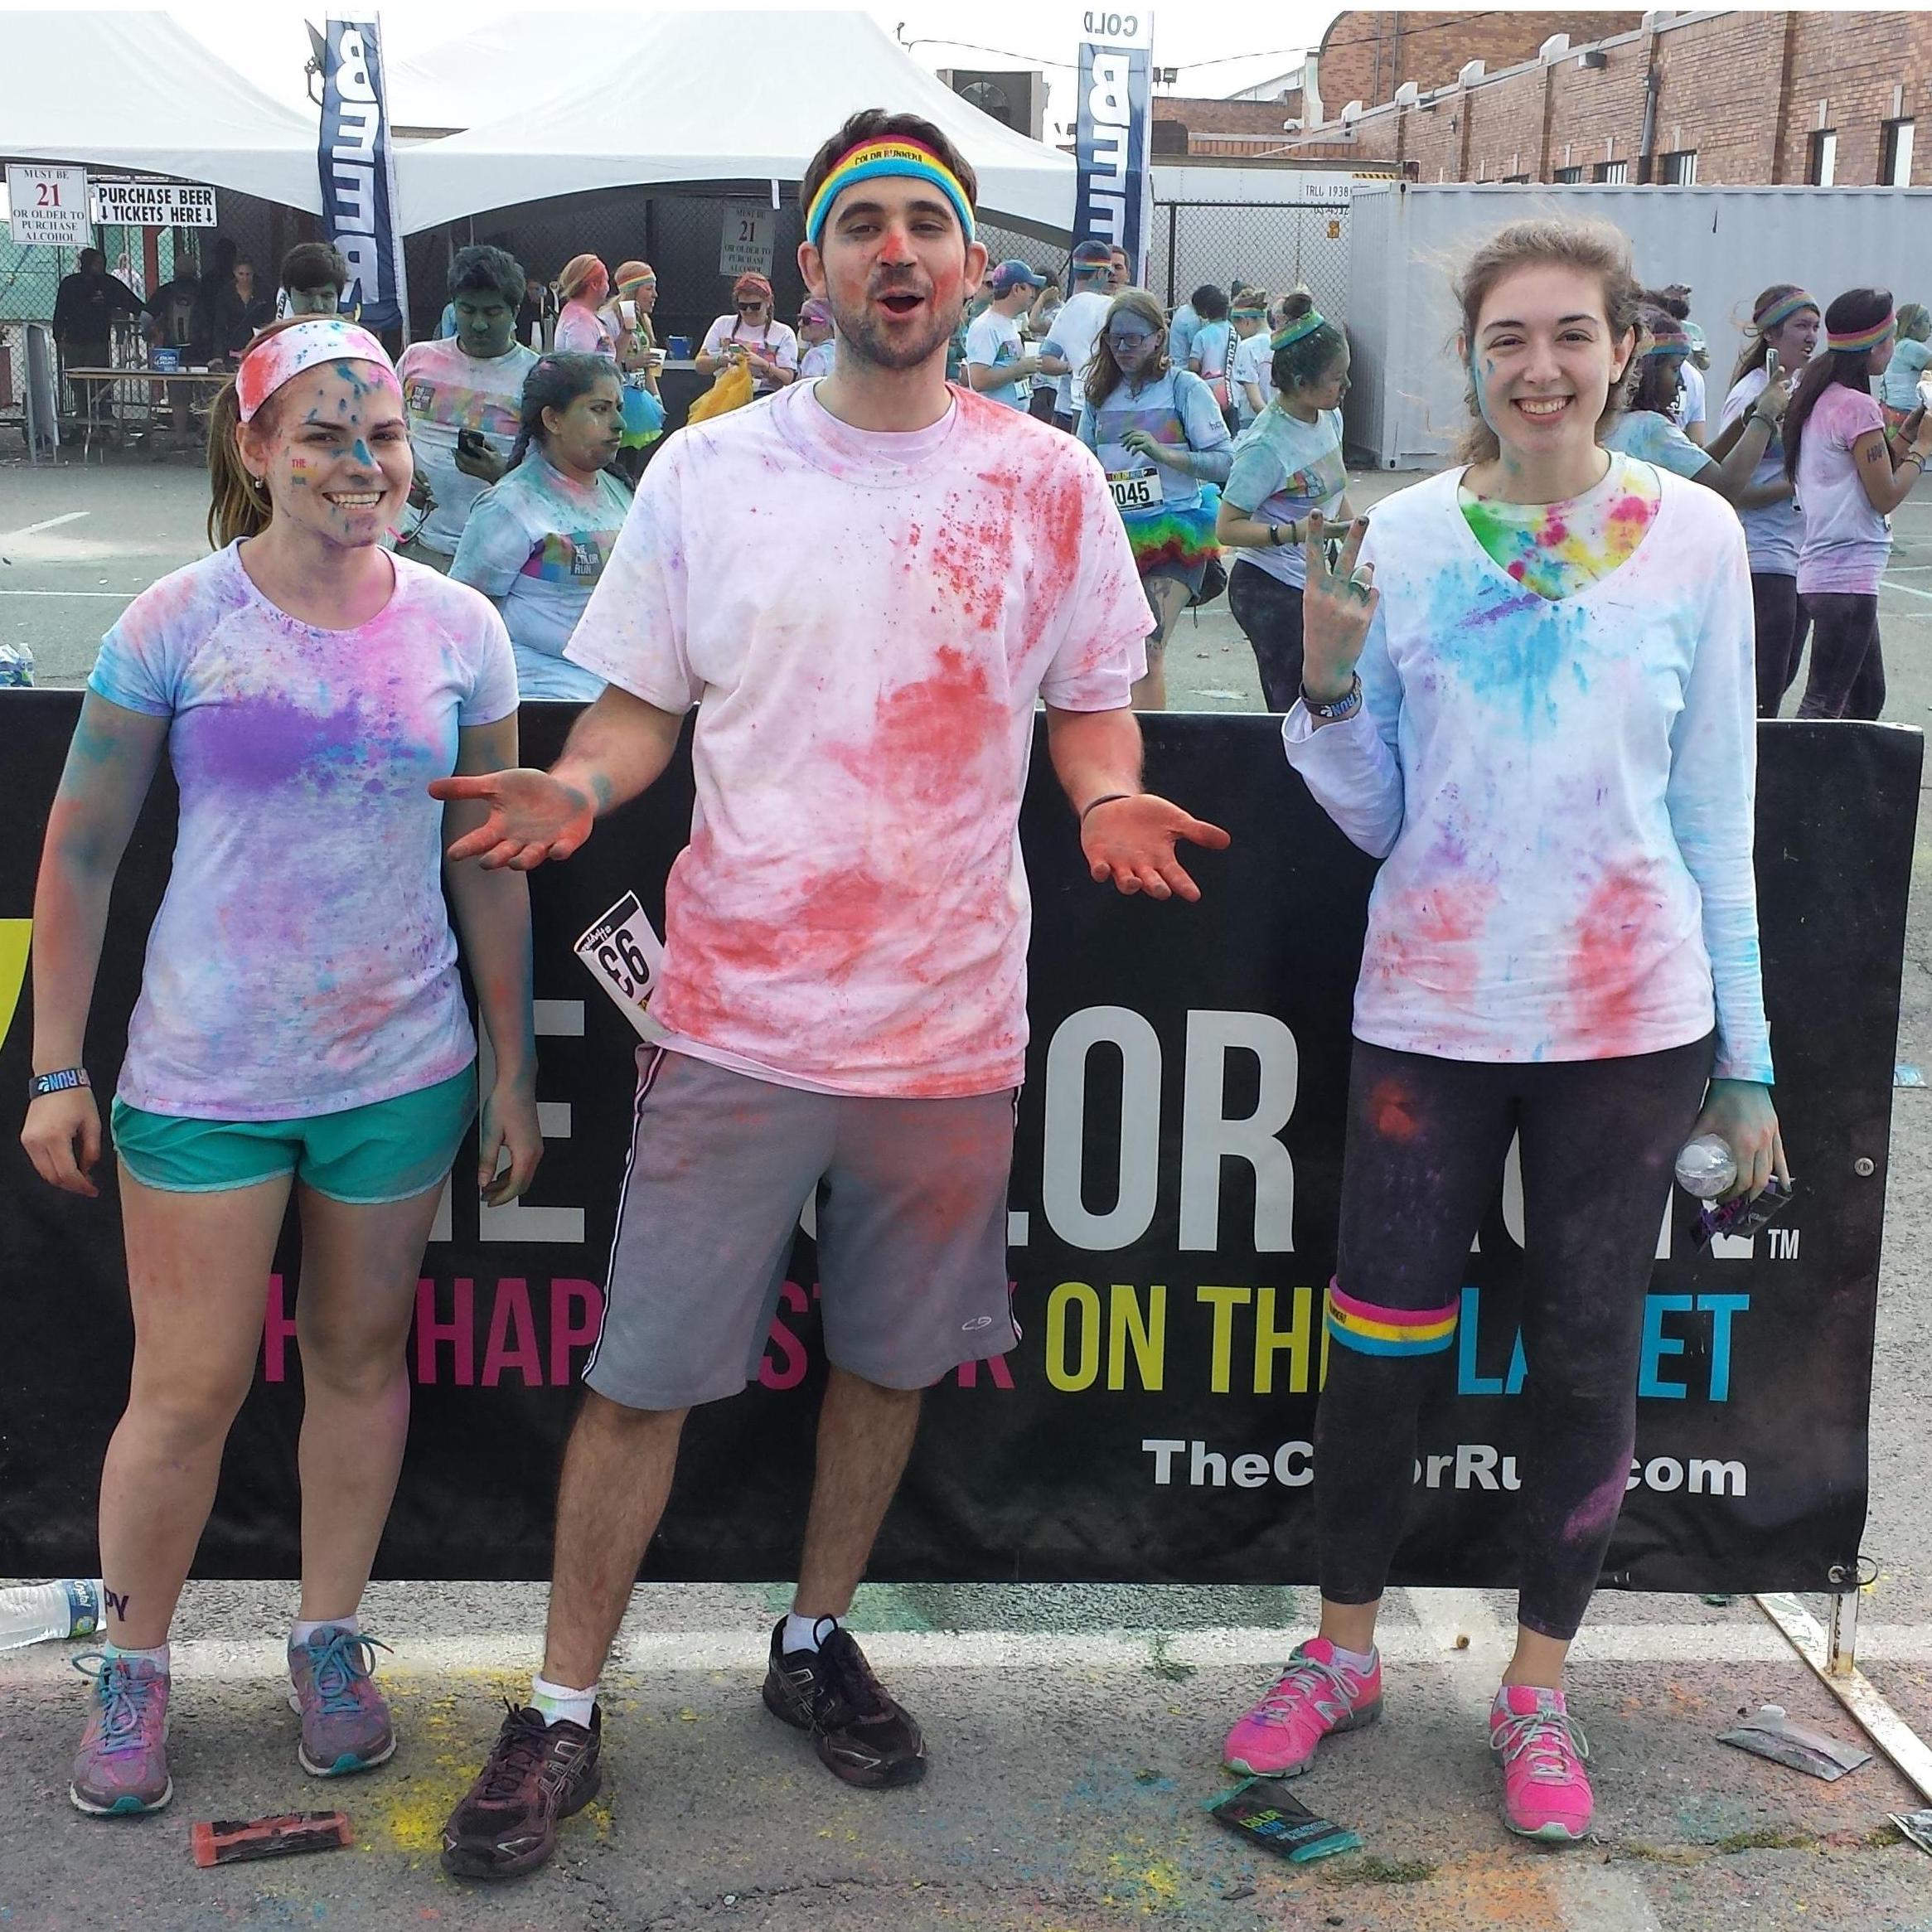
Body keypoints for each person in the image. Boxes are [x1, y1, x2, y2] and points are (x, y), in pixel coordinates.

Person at [432, 104, 1227, 1884]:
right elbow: (640, 706)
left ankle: (810, 1641)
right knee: (642, 1375)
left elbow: (1091, 700)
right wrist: (576, 788)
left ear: (967, 267)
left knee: (883, 1359)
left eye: (924, 227)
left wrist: (1102, 795)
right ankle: (562, 1701)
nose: (896, 253)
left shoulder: (1047, 480)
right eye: (861, 224)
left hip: (947, 1022)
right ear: (810, 269)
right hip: (734, 1013)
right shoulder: (712, 475)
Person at [1224, 217, 1784, 1846]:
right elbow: (1376, 814)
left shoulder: (1690, 539)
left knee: (1587, 1351)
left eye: (1568, 335)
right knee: (1376, 1340)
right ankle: (1340, 1650)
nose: (1536, 367)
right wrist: (1324, 686)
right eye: (1505, 339)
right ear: (1469, 359)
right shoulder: (1400, 537)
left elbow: (1715, 816)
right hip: (1433, 1010)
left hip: (1628, 1024)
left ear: (1620, 349)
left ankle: (1538, 1682)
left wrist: (1743, 1060)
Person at [21, 313, 540, 1820]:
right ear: (254, 449)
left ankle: (326, 1639)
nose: (360, 464)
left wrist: (507, 1069)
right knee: (182, 1388)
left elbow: (489, 865)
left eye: (379, 436)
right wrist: (59, 1068)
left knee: (358, 1363)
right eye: (321, 434)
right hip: (204, 1073)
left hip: (401, 1067)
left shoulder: (462, 629)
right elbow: (83, 847)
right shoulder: (175, 620)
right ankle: (135, 1662)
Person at [1077, 287, 1232, 712]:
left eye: (1135, 339)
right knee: (1109, 654)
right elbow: (1081, 462)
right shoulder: (1098, 394)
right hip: (1115, 538)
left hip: (1175, 533)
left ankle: (1152, 752)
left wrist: (1162, 452)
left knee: (1149, 647)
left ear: (1159, 338)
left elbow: (1224, 462)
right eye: (1115, 339)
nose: (1123, 349)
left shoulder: (1184, 388)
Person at [1784, 287, 1932, 721]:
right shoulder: (1857, 406)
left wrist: (1907, 432)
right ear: (1871, 346)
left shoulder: (1824, 396)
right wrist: (1923, 449)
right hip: (1845, 578)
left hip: (1830, 574)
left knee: (1866, 698)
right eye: (1887, 340)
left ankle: (1838, 787)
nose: (1892, 349)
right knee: (1825, 705)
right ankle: (1799, 788)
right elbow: (1884, 493)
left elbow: (1873, 463)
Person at [451, 354, 632, 702]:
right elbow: (464, 618)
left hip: (613, 691)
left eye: (618, 407)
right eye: (599, 409)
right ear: (553, 419)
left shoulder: (620, 490)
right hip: (543, 699)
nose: (619, 423)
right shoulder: (509, 505)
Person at [1216, 293, 1353, 709]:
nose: (1347, 385)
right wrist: (1299, 533)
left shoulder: (1327, 415)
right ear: (1299, 384)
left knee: (1328, 692)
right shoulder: (1266, 445)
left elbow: (1335, 491)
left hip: (1312, 578)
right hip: (1267, 587)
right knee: (1292, 702)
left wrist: (1356, 541)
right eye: (1337, 377)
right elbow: (1227, 527)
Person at [1710, 284, 1823, 715]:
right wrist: (1798, 484)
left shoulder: (1796, 388)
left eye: (1816, 327)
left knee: (1782, 675)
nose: (1811, 336)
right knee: (1762, 690)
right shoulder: (1753, 394)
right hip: (1763, 555)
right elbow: (1735, 491)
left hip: (1797, 556)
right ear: (1771, 336)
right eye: (1800, 326)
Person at [395, 245, 540, 569]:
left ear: (515, 311)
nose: (478, 324)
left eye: (492, 313)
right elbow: (384, 431)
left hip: (503, 555)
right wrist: (400, 472)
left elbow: (560, 477)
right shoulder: (417, 361)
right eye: (467, 310)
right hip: (418, 544)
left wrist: (503, 475)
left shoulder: (537, 377)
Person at [1602, 303, 1785, 503]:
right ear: (1647, 372)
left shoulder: (1612, 422)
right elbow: (1725, 487)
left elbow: (1696, 464)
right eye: (1674, 369)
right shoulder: (1649, 428)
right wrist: (1765, 416)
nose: (1681, 382)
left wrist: (1744, 422)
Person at [53, 248, 145, 424]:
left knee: (99, 380)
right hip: (74, 340)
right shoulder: (70, 284)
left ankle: (102, 416)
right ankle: (83, 417)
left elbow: (129, 301)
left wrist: (148, 313)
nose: (100, 267)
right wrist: (59, 337)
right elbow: (60, 311)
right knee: (78, 382)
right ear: (86, 264)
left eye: (101, 263)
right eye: (97, 263)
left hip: (97, 341)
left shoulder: (107, 283)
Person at [1038, 238, 1116, 432]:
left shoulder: (1066, 310)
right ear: (1099, 273)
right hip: (1107, 403)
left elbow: (1045, 361)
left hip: (1072, 404)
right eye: (1107, 273)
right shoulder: (1110, 307)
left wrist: (1072, 367)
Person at [697, 272, 799, 395]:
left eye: (755, 306)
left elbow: (788, 378)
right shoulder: (723, 324)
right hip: (726, 393)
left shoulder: (783, 333)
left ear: (769, 301)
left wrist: (763, 365)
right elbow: (699, 364)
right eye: (743, 306)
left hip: (764, 396)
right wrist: (720, 360)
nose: (749, 311)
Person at [963, 259, 1047, 409]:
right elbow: (978, 380)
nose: (1033, 295)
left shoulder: (1009, 323)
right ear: (1016, 289)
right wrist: (1019, 369)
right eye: (1030, 288)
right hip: (992, 420)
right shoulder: (986, 327)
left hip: (1011, 420)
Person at [1877, 302, 1932, 433]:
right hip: (1907, 416)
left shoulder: (1897, 346)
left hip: (1891, 414)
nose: (1930, 326)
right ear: (1913, 326)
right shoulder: (1909, 346)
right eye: (1926, 321)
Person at [1185, 284, 1235, 429]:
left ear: (1206, 312)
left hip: (1209, 388)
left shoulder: (1202, 335)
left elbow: (1193, 366)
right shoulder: (1234, 332)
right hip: (1230, 387)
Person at [211, 257, 275, 359]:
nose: (245, 278)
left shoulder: (263, 292)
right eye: (241, 274)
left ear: (253, 273)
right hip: (233, 345)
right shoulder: (226, 294)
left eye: (248, 274)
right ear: (234, 273)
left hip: (257, 343)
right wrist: (218, 355)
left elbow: (270, 318)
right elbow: (220, 325)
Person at [554, 256, 615, 358]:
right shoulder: (580, 320)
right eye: (606, 281)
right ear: (595, 285)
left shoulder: (579, 313)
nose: (608, 288)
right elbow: (581, 369)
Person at [1228, 289, 1272, 429]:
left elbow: (1254, 401)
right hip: (1278, 416)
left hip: (1255, 421)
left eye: (1236, 327)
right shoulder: (1280, 341)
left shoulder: (1247, 347)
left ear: (1246, 321)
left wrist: (1271, 423)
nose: (1237, 332)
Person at [276, 241, 351, 321]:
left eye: (326, 296)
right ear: (289, 295)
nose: (318, 307)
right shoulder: (276, 333)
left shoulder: (354, 332)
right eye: (307, 295)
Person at [797, 296, 837, 378]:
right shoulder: (844, 353)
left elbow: (808, 389)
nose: (800, 324)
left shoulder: (815, 355)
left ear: (825, 325)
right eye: (799, 318)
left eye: (806, 320)